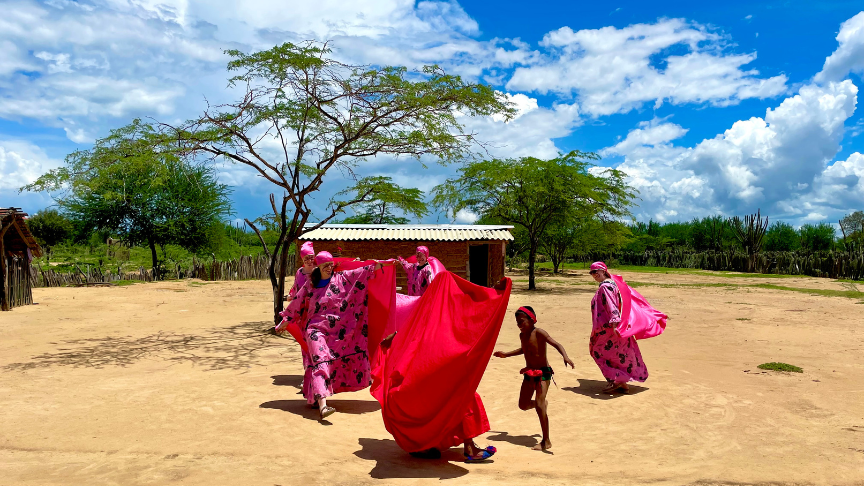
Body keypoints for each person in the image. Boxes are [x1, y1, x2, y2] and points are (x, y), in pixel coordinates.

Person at [276, 251, 392, 419]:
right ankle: (324, 405)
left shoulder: (342, 278)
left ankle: (315, 397)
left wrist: (386, 263)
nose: (329, 268)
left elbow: (366, 270)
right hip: (315, 330)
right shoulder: (311, 283)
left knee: (323, 362)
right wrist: (285, 320)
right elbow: (297, 301)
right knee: (320, 361)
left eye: (331, 265)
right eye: (325, 266)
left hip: (337, 332)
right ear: (319, 267)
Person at [493, 306, 574, 451]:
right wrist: (506, 354)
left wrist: (565, 356)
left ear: (531, 320)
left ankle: (546, 440)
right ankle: (541, 404)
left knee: (539, 404)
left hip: (543, 374)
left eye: (522, 321)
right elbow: (524, 349)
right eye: (517, 322)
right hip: (529, 373)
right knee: (523, 405)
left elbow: (556, 344)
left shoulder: (539, 332)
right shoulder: (522, 336)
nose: (519, 325)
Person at [588, 261, 649, 394]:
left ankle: (615, 380)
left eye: (596, 271)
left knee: (597, 351)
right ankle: (621, 382)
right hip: (612, 326)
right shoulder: (613, 284)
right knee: (617, 353)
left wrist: (615, 323)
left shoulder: (606, 286)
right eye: (592, 272)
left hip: (608, 328)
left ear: (604, 271)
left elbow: (612, 306)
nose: (594, 274)